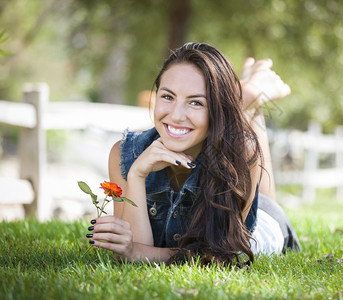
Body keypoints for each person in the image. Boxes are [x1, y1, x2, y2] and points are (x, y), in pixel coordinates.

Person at [86, 43, 300, 266]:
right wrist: (137, 174)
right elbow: (133, 252)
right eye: (168, 97)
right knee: (239, 137)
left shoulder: (241, 152)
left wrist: (137, 252)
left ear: (216, 109)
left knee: (246, 150)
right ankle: (246, 95)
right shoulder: (125, 154)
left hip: (261, 229)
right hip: (225, 136)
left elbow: (219, 255)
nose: (176, 116)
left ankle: (251, 94)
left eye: (196, 102)